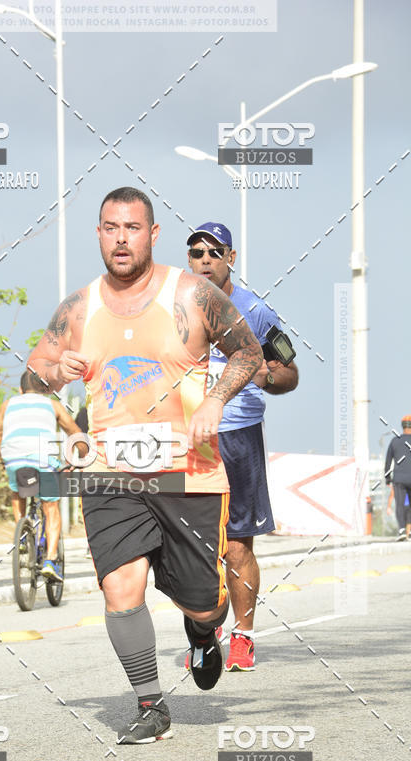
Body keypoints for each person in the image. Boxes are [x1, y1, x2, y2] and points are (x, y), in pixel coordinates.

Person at [26, 186, 262, 743]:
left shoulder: (194, 295)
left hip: (190, 473)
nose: (121, 239)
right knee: (120, 587)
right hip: (112, 472)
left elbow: (251, 353)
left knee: (201, 602)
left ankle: (204, 636)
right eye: (110, 228)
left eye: (132, 228)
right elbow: (31, 375)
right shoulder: (78, 308)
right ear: (100, 234)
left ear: (152, 234)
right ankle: (151, 704)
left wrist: (214, 401)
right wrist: (57, 371)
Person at [186, 222, 299, 671]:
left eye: (215, 252)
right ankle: (206, 623)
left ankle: (243, 634)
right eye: (196, 252)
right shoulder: (175, 307)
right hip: (191, 437)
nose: (205, 259)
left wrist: (265, 375)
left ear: (231, 258)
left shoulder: (255, 311)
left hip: (237, 436)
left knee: (236, 545)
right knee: (192, 545)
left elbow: (291, 373)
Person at [0, 371, 85, 581]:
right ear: (45, 389)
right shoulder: (53, 406)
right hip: (43, 460)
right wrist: (83, 458)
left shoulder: (7, 405)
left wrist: (4, 460)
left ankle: (22, 534)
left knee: (17, 492)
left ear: (20, 390)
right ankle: (51, 560)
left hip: (13, 459)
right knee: (50, 507)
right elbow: (75, 433)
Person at [384, 415, 411, 540]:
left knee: (400, 504)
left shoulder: (395, 441)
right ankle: (409, 530)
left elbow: (388, 461)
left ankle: (401, 530)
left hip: (399, 479)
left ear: (402, 426)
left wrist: (387, 478)